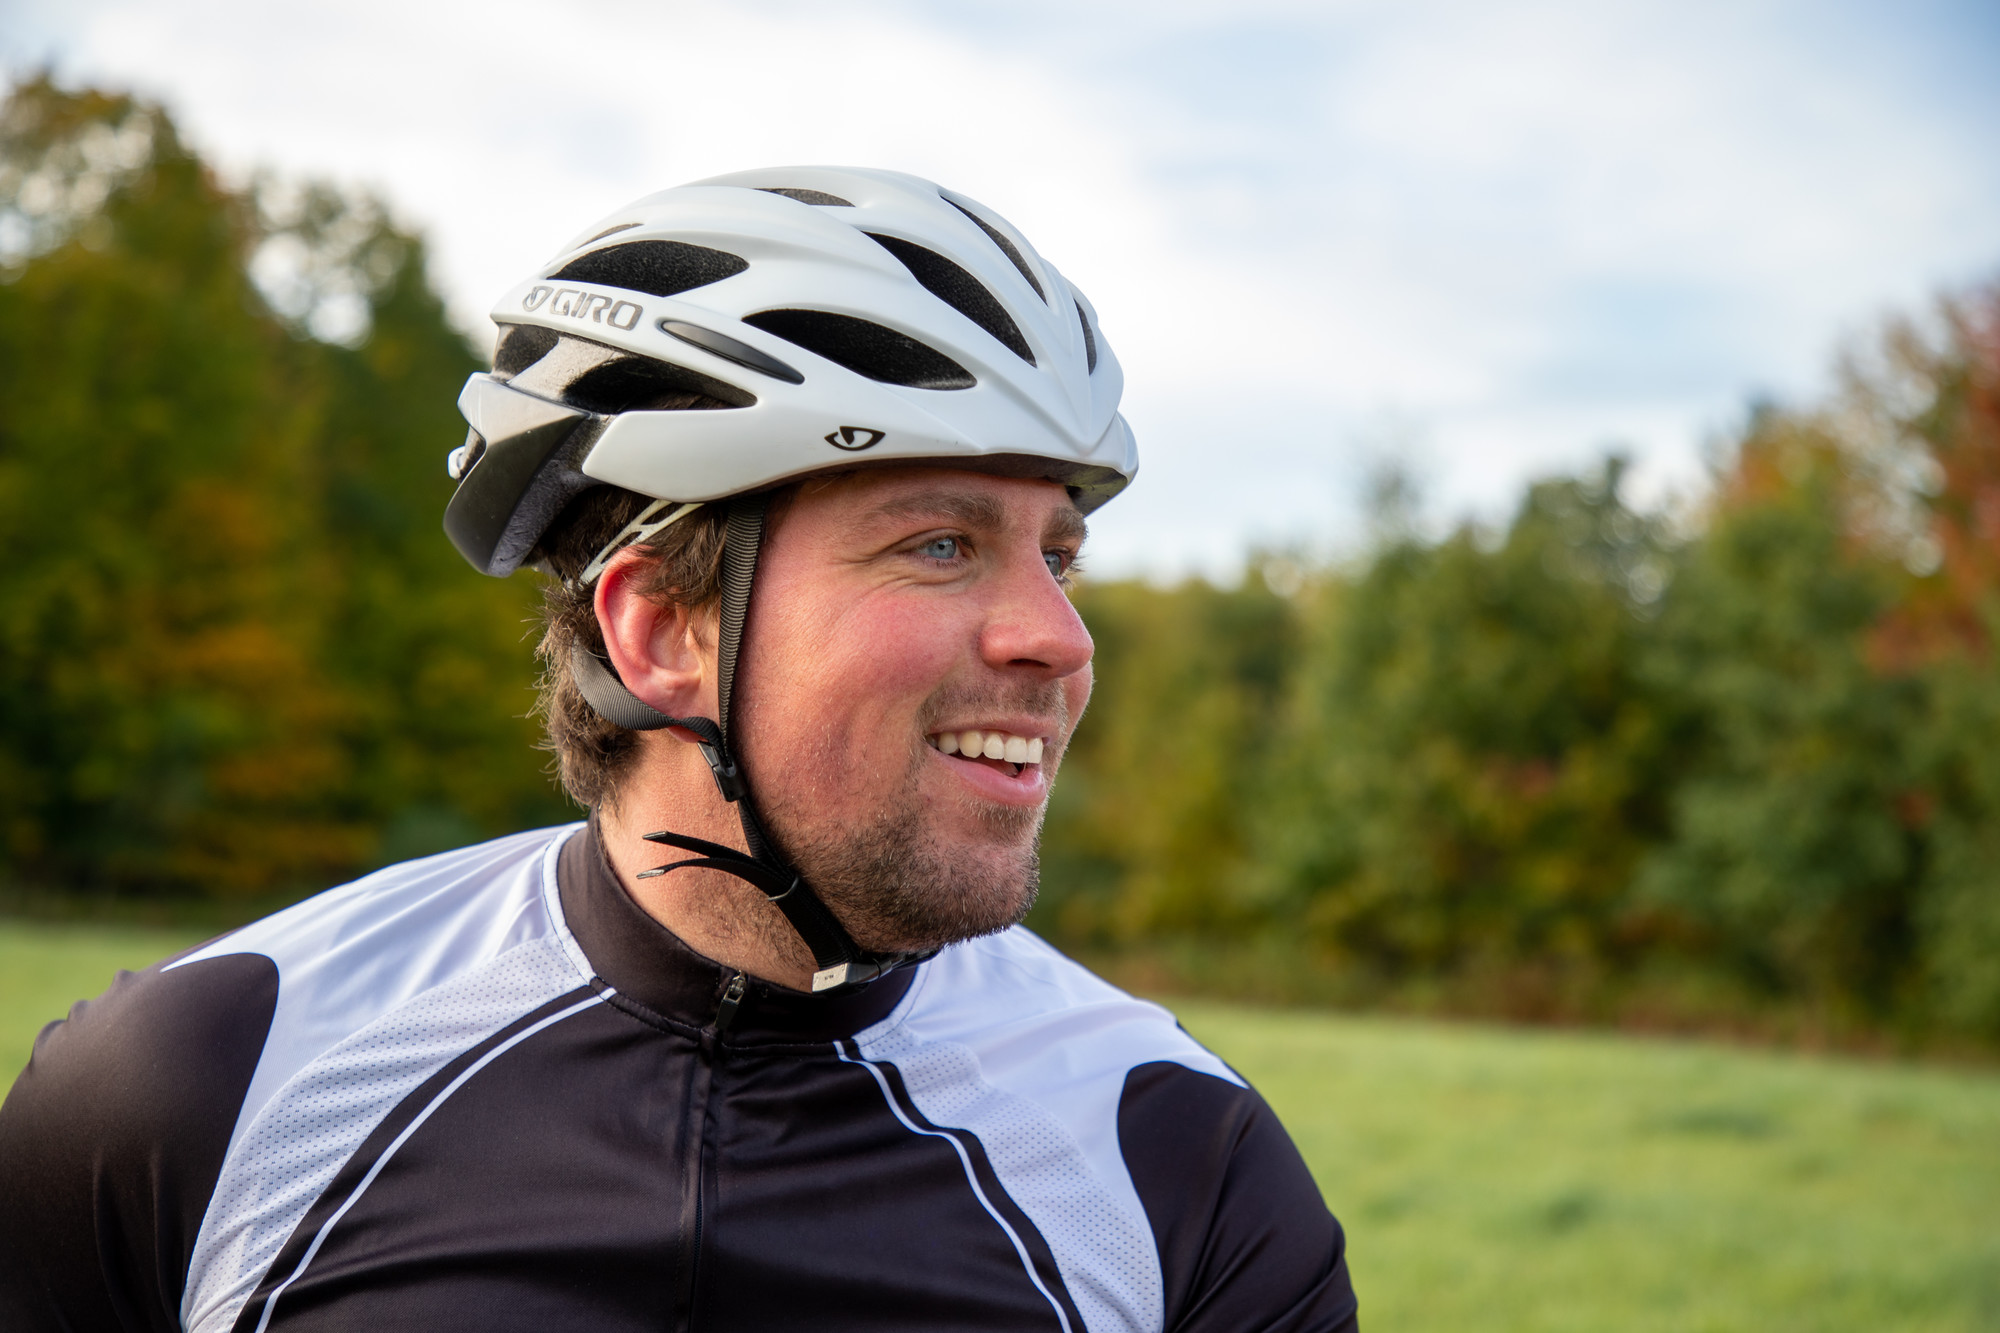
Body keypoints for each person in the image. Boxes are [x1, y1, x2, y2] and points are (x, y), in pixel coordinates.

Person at [0, 167, 1357, 1332]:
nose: (1060, 639)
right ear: (659, 628)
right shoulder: (205, 1087)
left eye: (1059, 553)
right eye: (941, 543)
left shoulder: (1178, 1170)